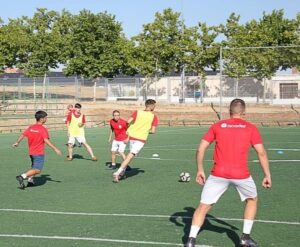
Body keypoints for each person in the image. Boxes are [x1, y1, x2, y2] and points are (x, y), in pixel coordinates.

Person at [185, 98, 272, 247]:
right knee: (252, 200)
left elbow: (201, 148)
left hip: (218, 174)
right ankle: (245, 237)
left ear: (229, 111)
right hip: (241, 175)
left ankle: (190, 240)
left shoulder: (218, 125)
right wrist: (267, 174)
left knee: (203, 206)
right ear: (244, 112)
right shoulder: (250, 128)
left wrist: (200, 169)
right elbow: (261, 152)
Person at [13, 111, 62, 189]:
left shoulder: (31, 127)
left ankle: (30, 181)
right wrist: (55, 149)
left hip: (31, 152)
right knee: (37, 170)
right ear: (42, 119)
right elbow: (46, 140)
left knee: (34, 167)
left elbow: (23, 135)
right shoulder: (42, 129)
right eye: (46, 118)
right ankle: (22, 176)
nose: (46, 119)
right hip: (38, 153)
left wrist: (17, 142)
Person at [112, 99, 158, 182]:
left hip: (131, 137)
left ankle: (122, 173)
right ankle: (117, 173)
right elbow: (153, 131)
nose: (155, 107)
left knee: (130, 156)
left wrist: (131, 130)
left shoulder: (137, 112)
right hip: (140, 139)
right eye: (154, 105)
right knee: (130, 156)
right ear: (151, 106)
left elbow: (128, 122)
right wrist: (145, 131)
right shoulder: (153, 117)